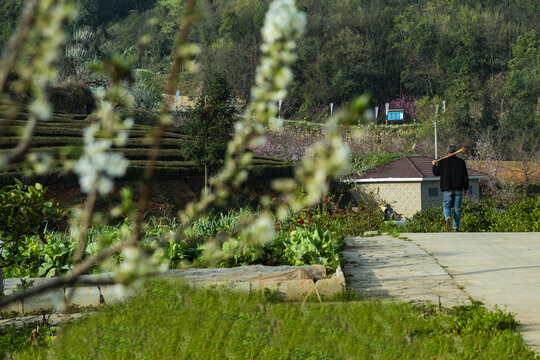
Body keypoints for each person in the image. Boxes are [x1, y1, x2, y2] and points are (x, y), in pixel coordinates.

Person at [432, 144, 469, 232]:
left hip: (447, 188)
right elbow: (465, 176)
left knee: (447, 206)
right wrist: (466, 188)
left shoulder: (442, 162)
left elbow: (436, 173)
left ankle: (448, 217)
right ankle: (456, 228)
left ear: (447, 152)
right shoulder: (461, 162)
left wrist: (434, 165)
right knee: (457, 208)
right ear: (456, 152)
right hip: (458, 188)